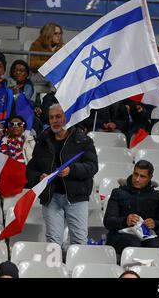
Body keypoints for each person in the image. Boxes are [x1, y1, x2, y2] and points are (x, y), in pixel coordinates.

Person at [26, 104, 98, 247]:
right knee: (53, 242)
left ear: (68, 117)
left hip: (76, 197)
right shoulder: (42, 141)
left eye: (58, 116)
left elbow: (92, 167)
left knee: (79, 241)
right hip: (51, 197)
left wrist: (71, 170)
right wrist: (39, 177)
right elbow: (30, 170)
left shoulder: (84, 140)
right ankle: (55, 269)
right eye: (51, 117)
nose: (54, 120)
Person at [104, 160, 159, 255]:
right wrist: (125, 221)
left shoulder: (157, 196)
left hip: (148, 236)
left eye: (142, 176)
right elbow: (108, 222)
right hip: (120, 236)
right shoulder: (117, 192)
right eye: (136, 174)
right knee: (133, 243)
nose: (137, 179)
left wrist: (155, 224)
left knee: (155, 246)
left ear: (150, 178)